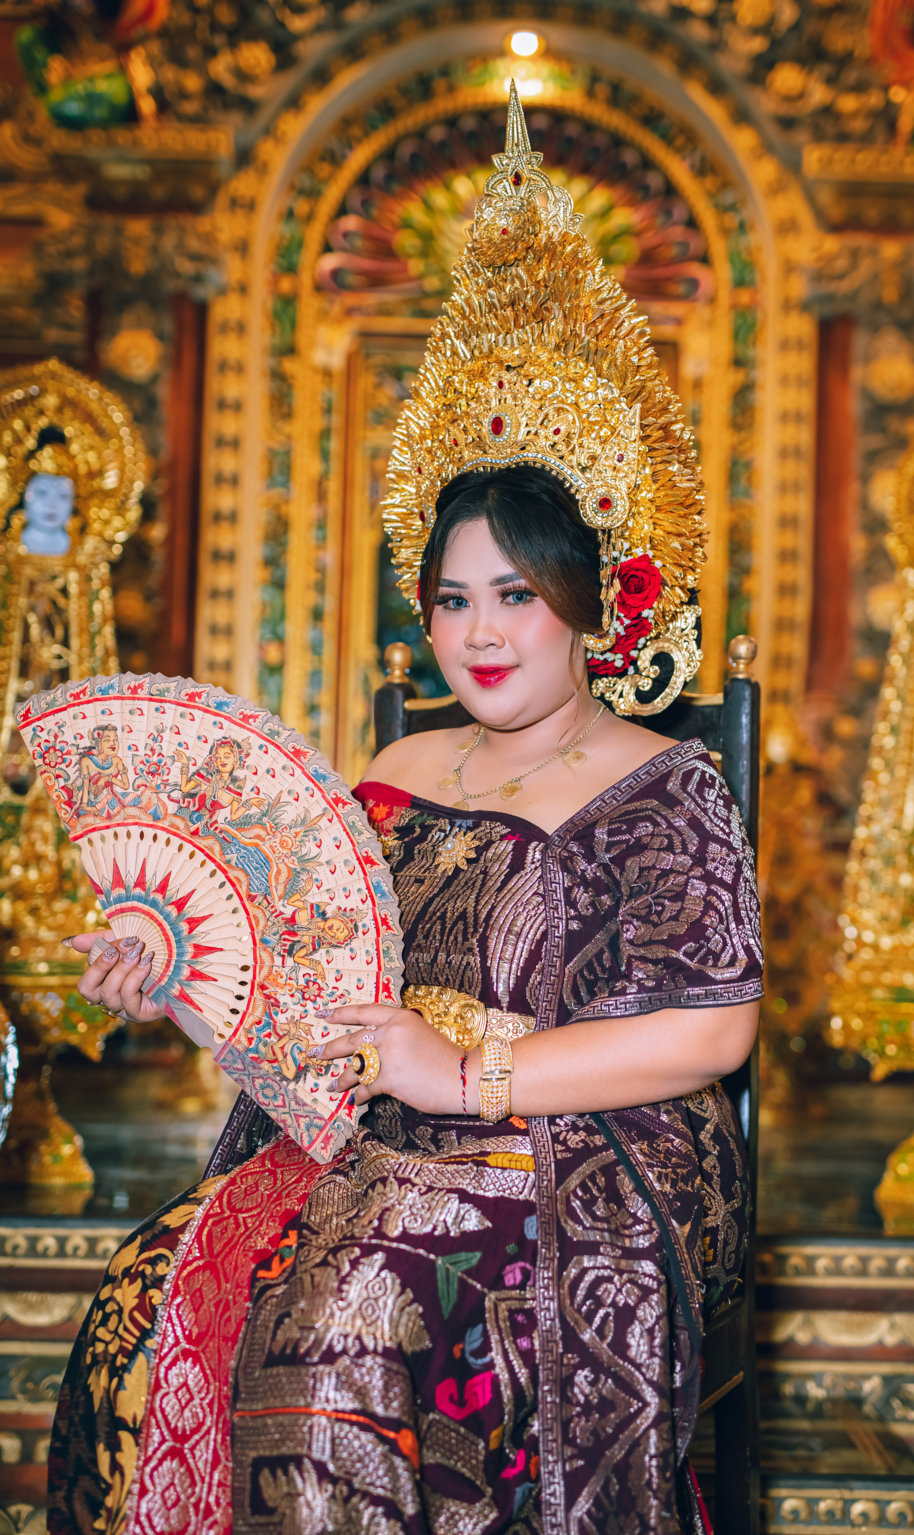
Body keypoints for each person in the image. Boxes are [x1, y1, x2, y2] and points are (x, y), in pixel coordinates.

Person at [47, 88, 762, 1535]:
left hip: (582, 1144)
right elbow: (302, 1001)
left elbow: (712, 1033)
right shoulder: (395, 769)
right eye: (451, 598)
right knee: (141, 1297)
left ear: (591, 608)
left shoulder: (666, 784)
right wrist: (175, 974)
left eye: (517, 595)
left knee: (342, 1345)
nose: (478, 632)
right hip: (373, 1126)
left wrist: (469, 1078)